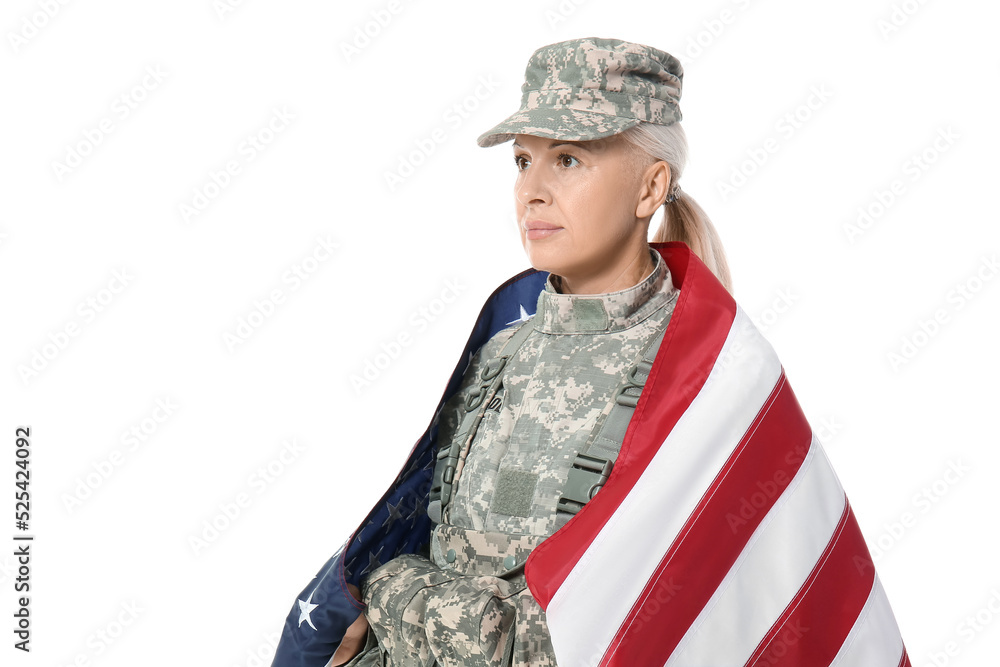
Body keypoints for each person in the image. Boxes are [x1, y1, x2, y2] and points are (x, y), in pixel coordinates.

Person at [271, 37, 910, 667]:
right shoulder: (502, 351)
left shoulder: (702, 386)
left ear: (649, 187)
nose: (533, 191)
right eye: (523, 161)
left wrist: (390, 586)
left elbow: (571, 641)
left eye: (569, 160)